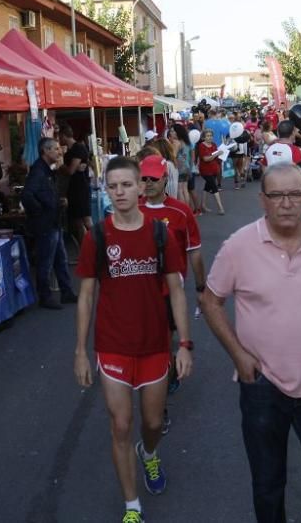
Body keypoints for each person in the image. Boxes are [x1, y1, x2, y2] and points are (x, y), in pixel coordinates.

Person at [200, 163, 301, 523]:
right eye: (277, 195)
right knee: (267, 483)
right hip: (261, 384)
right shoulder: (239, 246)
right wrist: (239, 356)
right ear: (263, 200)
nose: (287, 203)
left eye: (295, 194)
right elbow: (210, 301)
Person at [74, 156, 193, 523]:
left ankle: (150, 453)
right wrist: (80, 351)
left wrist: (185, 345)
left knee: (152, 423)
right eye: (113, 186)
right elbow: (87, 295)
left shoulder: (160, 233)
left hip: (155, 344)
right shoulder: (97, 236)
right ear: (106, 191)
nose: (120, 192)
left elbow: (176, 290)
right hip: (112, 345)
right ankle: (132, 506)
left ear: (141, 187)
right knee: (120, 424)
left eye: (127, 185)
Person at [138, 153, 206, 410]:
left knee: (162, 339)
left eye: (153, 178)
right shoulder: (133, 209)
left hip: (169, 290)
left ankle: (161, 391)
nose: (148, 183)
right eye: (143, 178)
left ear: (165, 179)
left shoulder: (181, 211)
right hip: (140, 289)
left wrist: (201, 287)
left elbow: (195, 250)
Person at [22, 137, 76, 310]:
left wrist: (57, 201)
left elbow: (44, 194)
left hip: (54, 221)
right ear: (45, 151)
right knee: (46, 261)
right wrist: (41, 211)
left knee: (61, 258)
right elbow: (27, 196)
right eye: (54, 149)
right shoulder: (38, 171)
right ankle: (45, 296)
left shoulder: (48, 170)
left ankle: (66, 292)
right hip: (45, 223)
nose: (58, 152)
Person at [59, 125, 93, 249]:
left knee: (86, 220)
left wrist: (60, 165)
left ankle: (99, 245)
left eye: (59, 136)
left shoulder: (78, 148)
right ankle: (85, 250)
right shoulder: (70, 150)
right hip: (73, 189)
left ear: (63, 136)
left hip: (81, 189)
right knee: (78, 222)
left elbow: (70, 171)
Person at [196, 128, 225, 215]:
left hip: (214, 169)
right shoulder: (201, 146)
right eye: (207, 136)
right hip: (205, 170)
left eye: (211, 136)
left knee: (207, 187)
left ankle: (203, 205)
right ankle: (221, 208)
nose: (209, 137)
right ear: (204, 137)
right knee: (214, 187)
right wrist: (217, 154)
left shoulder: (214, 145)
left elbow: (216, 157)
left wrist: (222, 155)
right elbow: (205, 159)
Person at [167, 124, 193, 208]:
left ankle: (183, 210)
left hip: (179, 168)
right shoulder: (186, 142)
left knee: (179, 190)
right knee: (185, 190)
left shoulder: (176, 142)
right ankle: (188, 210)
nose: (171, 133)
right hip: (187, 167)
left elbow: (173, 155)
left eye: (173, 131)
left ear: (178, 132)